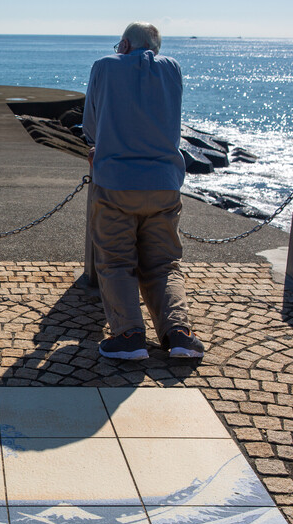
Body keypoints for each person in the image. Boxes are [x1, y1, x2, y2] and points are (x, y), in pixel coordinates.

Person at [83, 22, 204, 360]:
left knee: (117, 261)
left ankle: (130, 335)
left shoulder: (105, 66)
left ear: (123, 44)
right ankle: (179, 334)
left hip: (117, 183)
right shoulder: (172, 69)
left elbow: (91, 126)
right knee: (164, 263)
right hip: (164, 182)